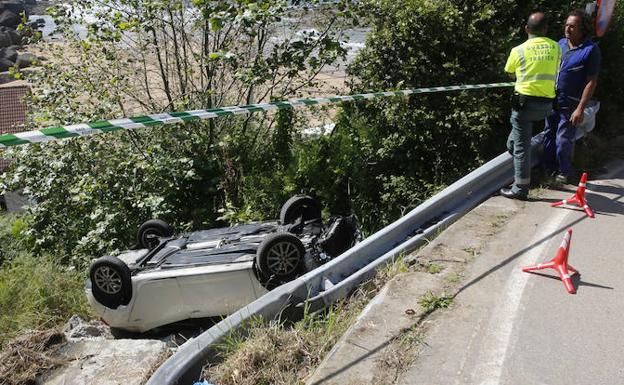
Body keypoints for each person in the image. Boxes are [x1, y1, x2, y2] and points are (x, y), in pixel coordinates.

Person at [500, 12, 562, 200]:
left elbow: (509, 71)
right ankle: (523, 168)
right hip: (546, 106)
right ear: (545, 29)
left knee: (520, 147)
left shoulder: (518, 50)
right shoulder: (556, 48)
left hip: (524, 105)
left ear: (526, 29)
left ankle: (520, 188)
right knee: (515, 143)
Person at [542, 10, 601, 184]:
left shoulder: (590, 50)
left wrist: (580, 109)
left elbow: (592, 82)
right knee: (548, 135)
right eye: (567, 25)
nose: (568, 29)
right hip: (552, 101)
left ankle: (564, 172)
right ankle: (548, 171)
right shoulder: (559, 45)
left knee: (563, 139)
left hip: (572, 104)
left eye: (572, 26)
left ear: (582, 29)